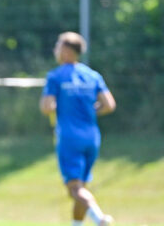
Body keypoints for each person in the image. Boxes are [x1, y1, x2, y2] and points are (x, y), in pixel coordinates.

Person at [39, 32, 117, 226]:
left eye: (58, 46)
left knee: (75, 190)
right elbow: (109, 105)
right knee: (81, 188)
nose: (55, 50)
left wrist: (59, 107)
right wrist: (89, 112)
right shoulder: (92, 75)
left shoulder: (56, 76)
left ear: (66, 51)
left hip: (69, 137)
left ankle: (100, 219)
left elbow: (46, 107)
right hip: (92, 137)